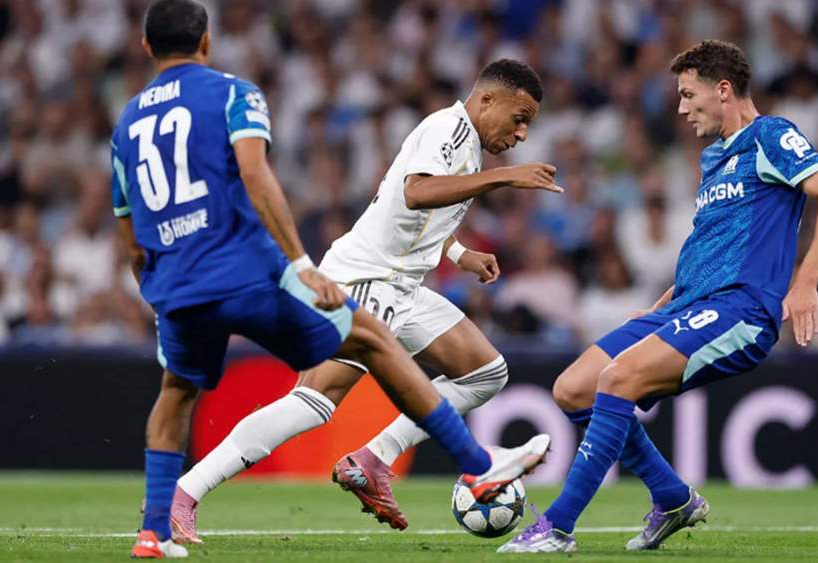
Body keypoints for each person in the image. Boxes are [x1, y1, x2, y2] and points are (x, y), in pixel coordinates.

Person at [112, 2, 550, 558]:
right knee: (316, 401)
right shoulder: (448, 127)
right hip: (366, 277)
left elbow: (403, 209)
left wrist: (460, 253)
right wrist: (504, 179)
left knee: (486, 371)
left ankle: (372, 459)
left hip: (402, 284)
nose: (521, 133)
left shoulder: (463, 144)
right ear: (486, 98)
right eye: (519, 117)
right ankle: (186, 491)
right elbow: (417, 190)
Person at [499, 39, 818, 554]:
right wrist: (666, 300)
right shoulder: (715, 158)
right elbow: (711, 244)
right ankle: (672, 498)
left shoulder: (771, 136)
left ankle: (557, 525)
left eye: (689, 95)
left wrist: (805, 284)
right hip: (687, 304)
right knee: (572, 388)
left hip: (740, 309)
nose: (681, 107)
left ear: (724, 89)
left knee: (617, 378)